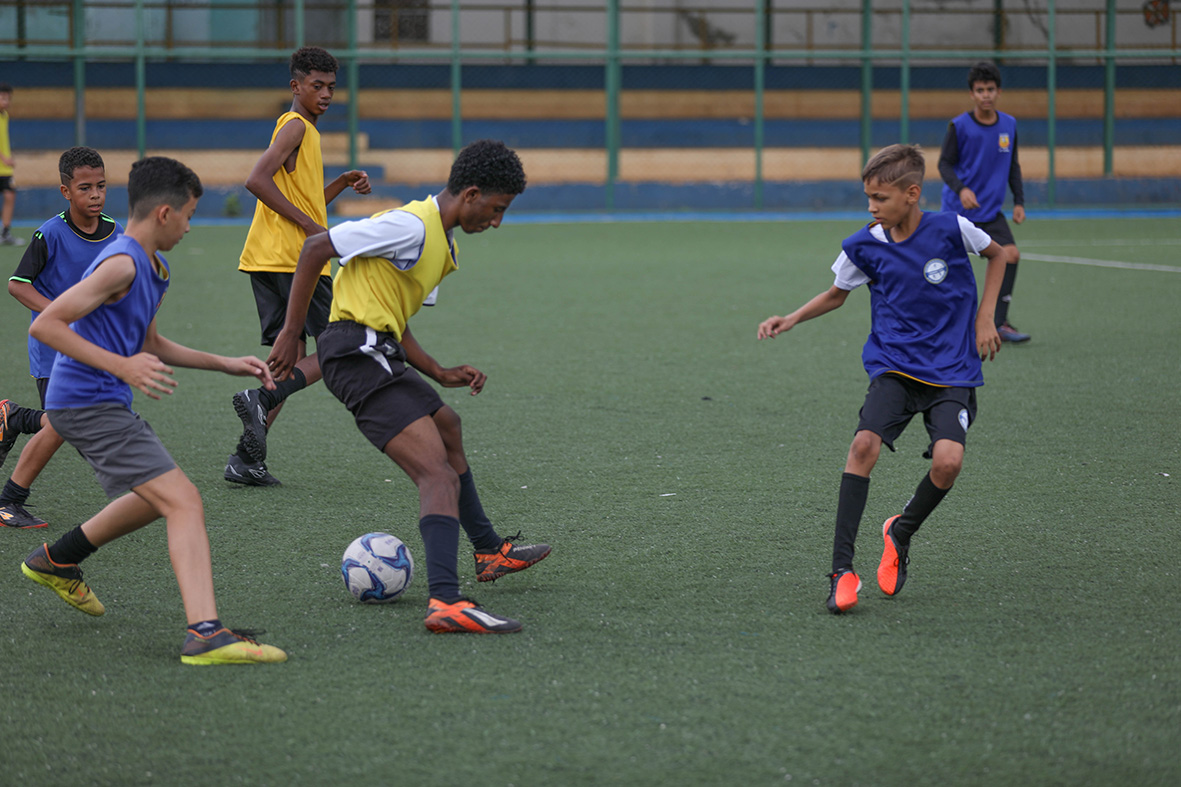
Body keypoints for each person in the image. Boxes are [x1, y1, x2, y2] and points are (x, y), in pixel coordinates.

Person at [268, 139, 550, 634]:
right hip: (355, 352)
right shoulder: (410, 225)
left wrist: (438, 371)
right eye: (496, 209)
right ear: (471, 193)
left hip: (380, 351)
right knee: (436, 475)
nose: (497, 221)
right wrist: (292, 332)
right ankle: (446, 602)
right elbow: (317, 247)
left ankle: (489, 551)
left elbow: (397, 318)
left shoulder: (443, 245)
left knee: (449, 427)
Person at [21, 156, 286, 665]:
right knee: (184, 500)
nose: (190, 226)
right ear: (164, 213)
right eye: (188, 215)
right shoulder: (120, 263)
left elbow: (152, 343)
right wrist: (122, 367)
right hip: (85, 401)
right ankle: (205, 633)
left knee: (154, 498)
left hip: (101, 401)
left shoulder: (154, 268)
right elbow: (46, 325)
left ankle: (58, 559)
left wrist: (226, 364)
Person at [757, 143, 1006, 614]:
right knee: (863, 446)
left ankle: (901, 531)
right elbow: (836, 294)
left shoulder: (953, 228)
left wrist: (985, 317)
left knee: (948, 463)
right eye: (868, 198)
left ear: (912, 194)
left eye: (880, 198)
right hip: (894, 366)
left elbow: (1000, 255)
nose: (872, 207)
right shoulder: (863, 245)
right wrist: (790, 318)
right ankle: (841, 571)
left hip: (953, 370)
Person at [226, 45, 370, 486]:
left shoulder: (301, 130)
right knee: (337, 346)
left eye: (331, 87)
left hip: (266, 259)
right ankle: (260, 400)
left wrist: (339, 185)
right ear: (296, 86)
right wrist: (312, 229)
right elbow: (256, 180)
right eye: (316, 86)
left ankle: (245, 460)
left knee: (287, 358)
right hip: (295, 261)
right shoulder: (295, 127)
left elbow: (301, 200)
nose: (326, 94)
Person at [1, 147, 124, 529]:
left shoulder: (116, 233)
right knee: (65, 424)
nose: (95, 195)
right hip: (53, 349)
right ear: (65, 191)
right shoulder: (49, 233)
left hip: (93, 349)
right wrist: (60, 315)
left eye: (101, 186)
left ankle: (14, 418)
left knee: (72, 423)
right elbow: (18, 286)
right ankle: (8, 502)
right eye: (85, 188)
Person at [939, 61, 1030, 344]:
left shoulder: (1009, 125)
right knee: (945, 268)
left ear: (999, 91)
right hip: (958, 213)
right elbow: (944, 164)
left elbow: (1012, 165)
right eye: (980, 90)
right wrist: (961, 189)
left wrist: (1019, 201)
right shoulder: (959, 126)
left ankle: (999, 322)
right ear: (972, 94)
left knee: (1011, 254)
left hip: (990, 213)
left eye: (990, 89)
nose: (986, 95)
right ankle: (945, 324)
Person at [0, 82, 23, 246]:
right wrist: (4, 158)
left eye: (8, 98)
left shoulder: (5, 115)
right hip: (3, 163)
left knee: (10, 195)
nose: (5, 101)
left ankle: (5, 232)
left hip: (4, 169)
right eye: (2, 97)